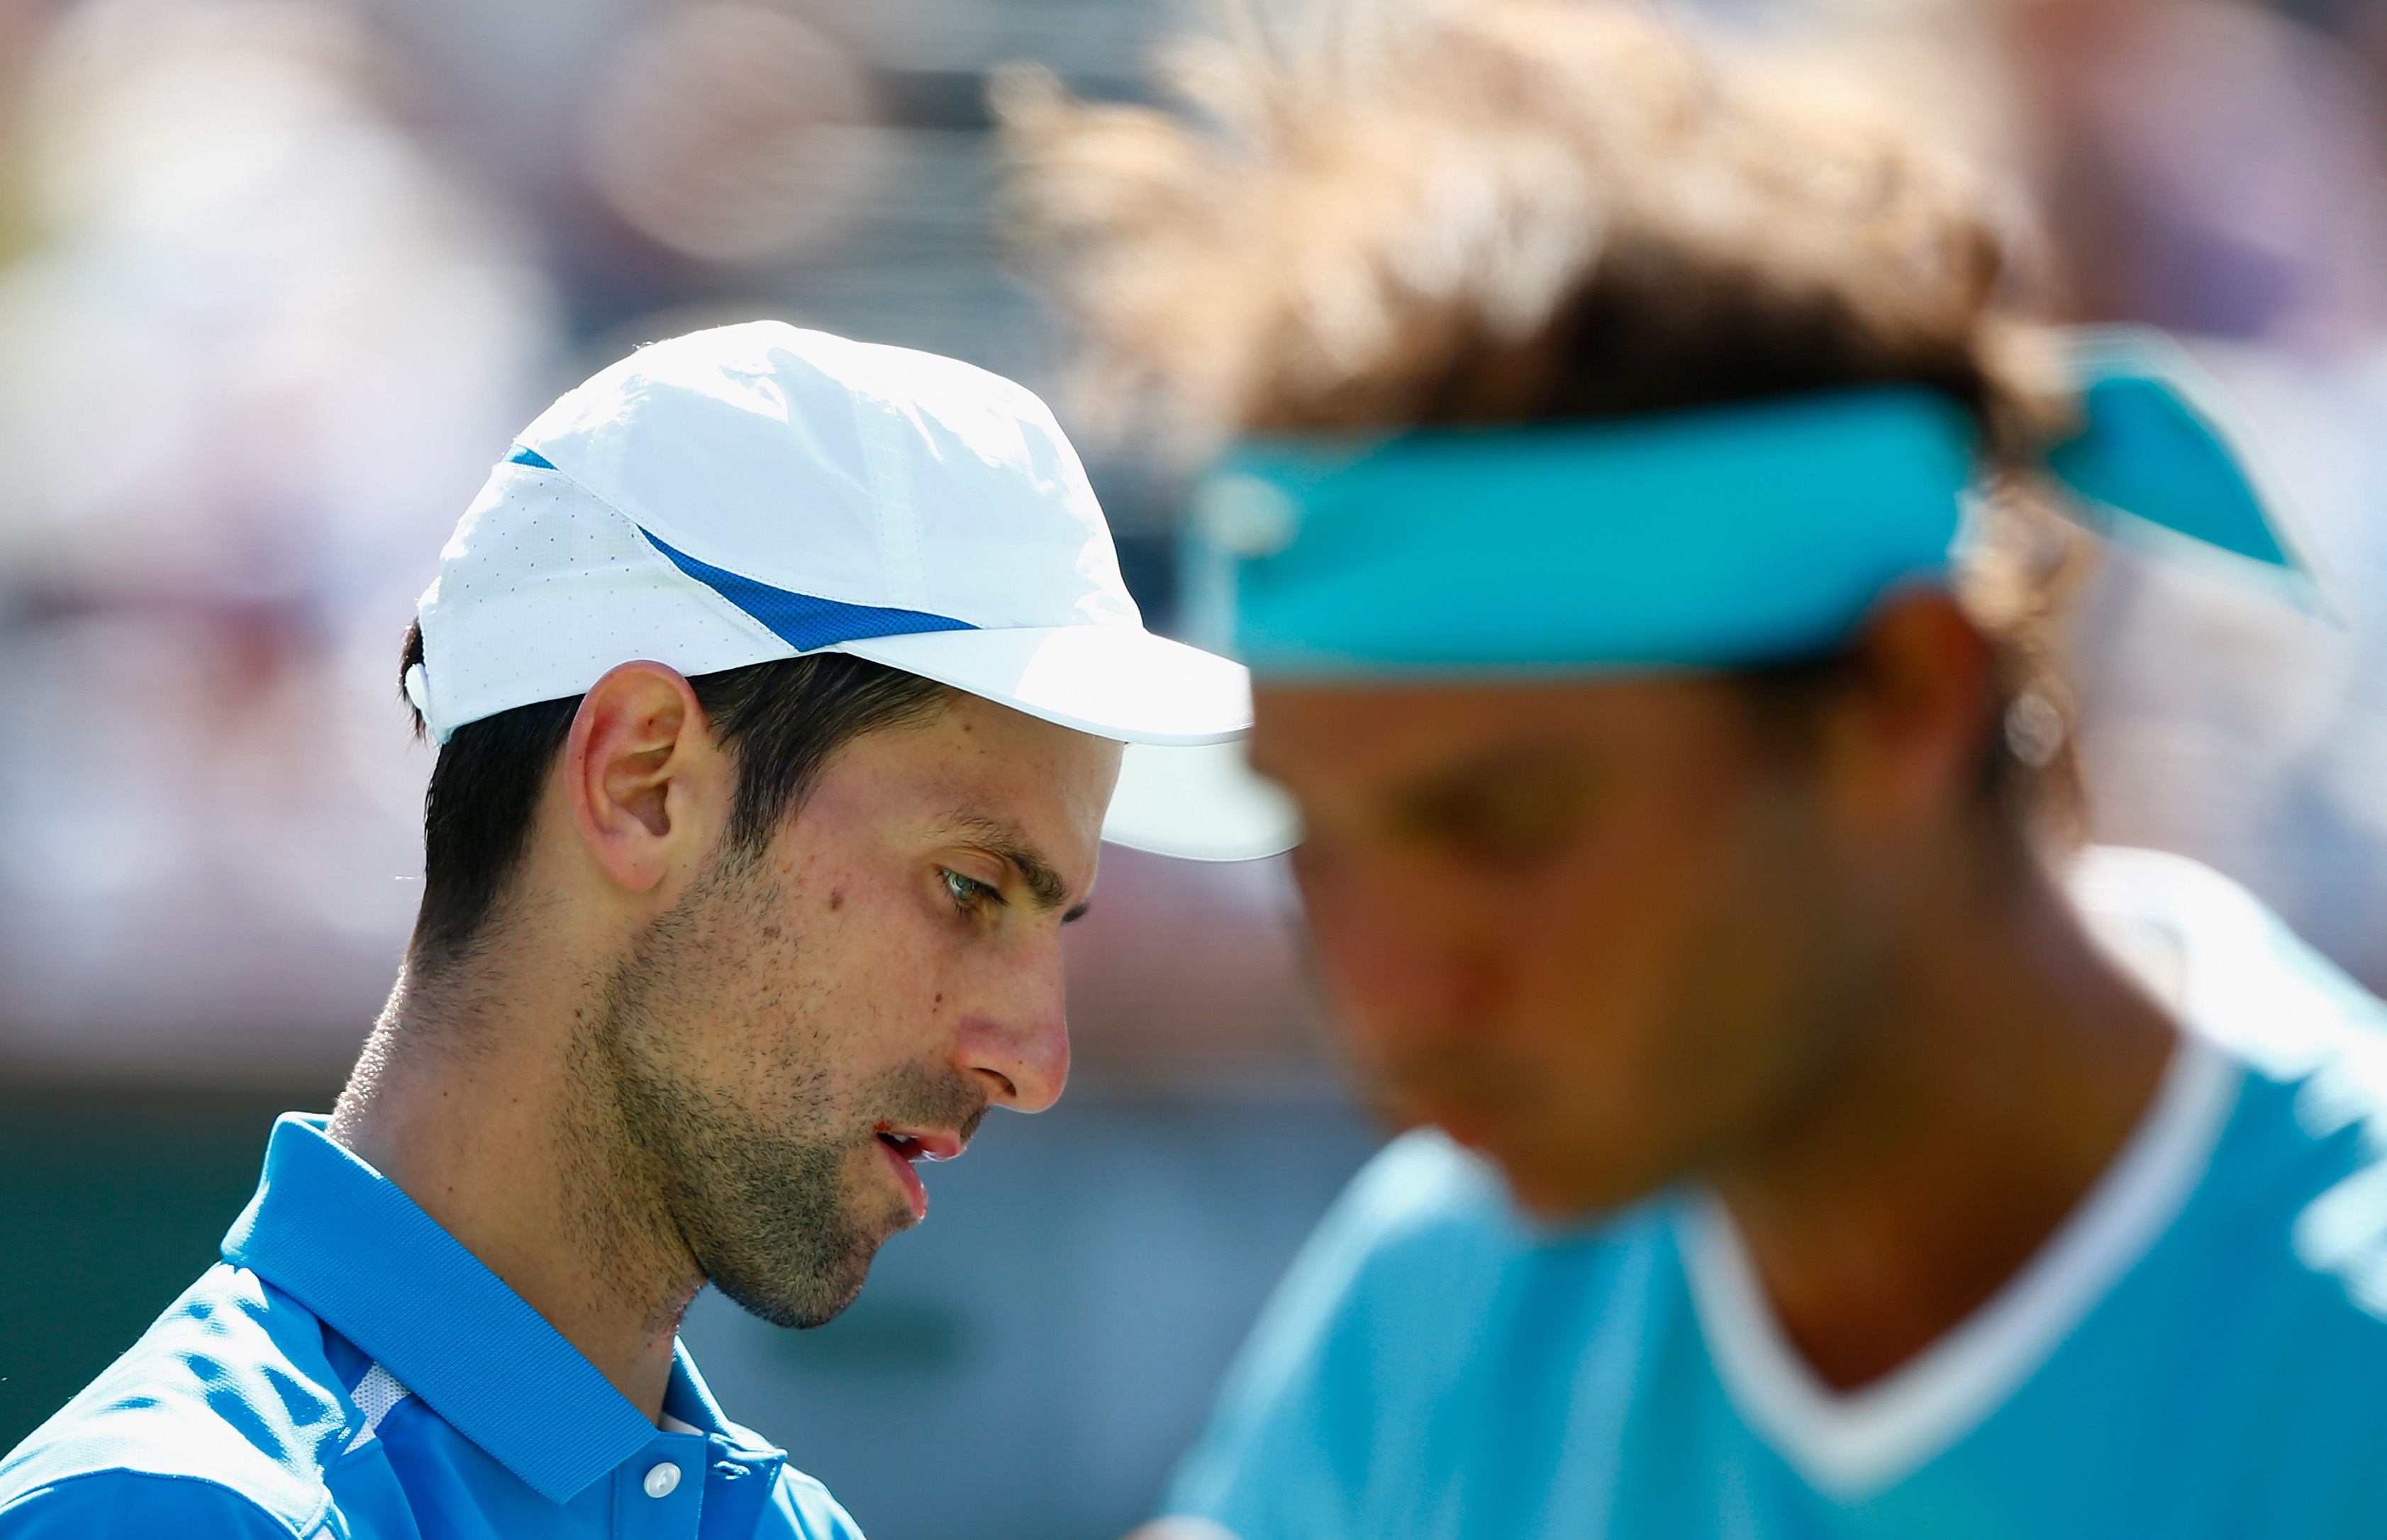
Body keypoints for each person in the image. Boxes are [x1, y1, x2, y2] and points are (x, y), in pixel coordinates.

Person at [1003, 1, 2387, 1532]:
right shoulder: (1435, 1304)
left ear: (1903, 701)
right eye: (1316, 841)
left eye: (1503, 822)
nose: (1385, 1005)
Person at [0, 321, 1290, 1538]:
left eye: (1054, 920)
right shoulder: (175, 1514)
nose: (1036, 1060)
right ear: (642, 782)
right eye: (968, 888)